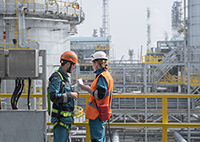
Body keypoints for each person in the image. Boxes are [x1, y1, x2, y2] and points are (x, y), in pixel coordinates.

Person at [79, 51, 114, 142]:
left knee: (97, 139)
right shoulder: (106, 75)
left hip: (97, 114)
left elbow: (100, 95)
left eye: (93, 63)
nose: (92, 66)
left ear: (97, 63)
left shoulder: (102, 77)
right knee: (100, 138)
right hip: (101, 112)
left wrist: (86, 89)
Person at [49, 51, 79, 142]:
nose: (74, 67)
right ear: (68, 64)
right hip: (60, 121)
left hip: (65, 121)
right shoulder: (57, 78)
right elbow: (53, 96)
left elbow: (62, 93)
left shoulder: (64, 78)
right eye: (73, 65)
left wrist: (71, 94)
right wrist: (70, 95)